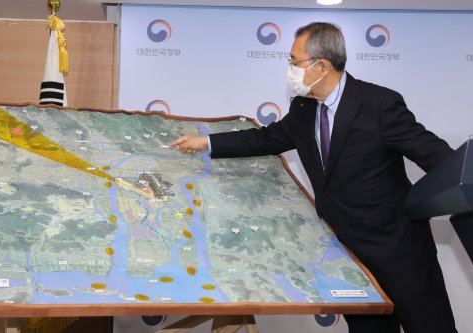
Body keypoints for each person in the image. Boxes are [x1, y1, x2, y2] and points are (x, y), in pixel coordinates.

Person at [169, 22, 457, 333]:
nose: (290, 68)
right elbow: (267, 139)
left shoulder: (379, 104)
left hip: (401, 252)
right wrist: (208, 143)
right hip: (351, 256)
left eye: (294, 61)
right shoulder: (304, 108)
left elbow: (438, 157)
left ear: (321, 66)